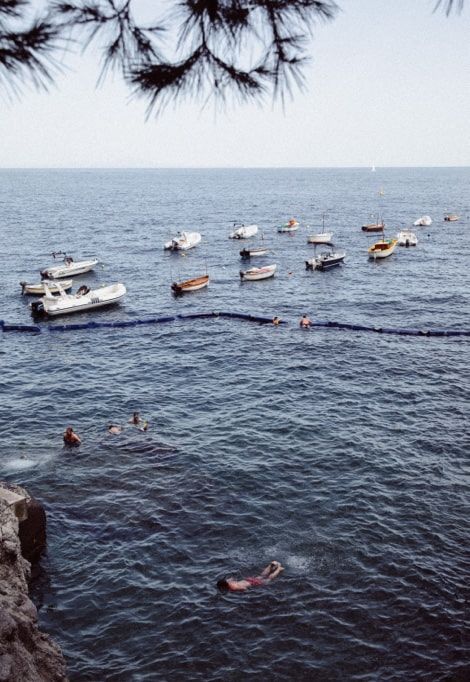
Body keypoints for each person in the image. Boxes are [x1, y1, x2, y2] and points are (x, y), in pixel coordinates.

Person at [217, 561, 284, 592]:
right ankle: (270, 565)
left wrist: (247, 591)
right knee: (261, 575)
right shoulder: (229, 582)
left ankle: (279, 569)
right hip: (248, 580)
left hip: (252, 583)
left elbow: (244, 588)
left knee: (269, 579)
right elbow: (232, 578)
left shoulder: (232, 588)